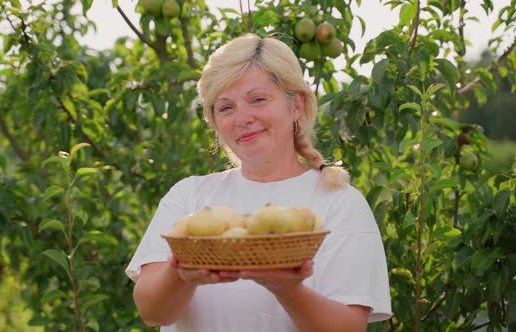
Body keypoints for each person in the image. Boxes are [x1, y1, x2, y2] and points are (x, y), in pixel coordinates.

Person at [125, 33, 392, 331]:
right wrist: (181, 274)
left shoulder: (339, 202)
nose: (242, 118)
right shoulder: (189, 196)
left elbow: (348, 328)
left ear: (296, 105)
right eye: (226, 107)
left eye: (258, 99)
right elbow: (152, 312)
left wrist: (288, 289)